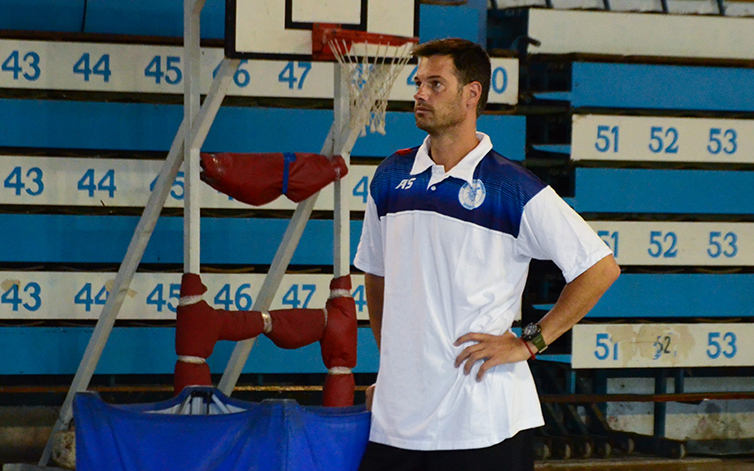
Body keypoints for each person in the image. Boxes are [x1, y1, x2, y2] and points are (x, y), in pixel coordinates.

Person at [353, 38, 621, 471]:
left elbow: (600, 268)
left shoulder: (512, 186)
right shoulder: (390, 175)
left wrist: (529, 342)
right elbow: (377, 274)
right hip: (397, 420)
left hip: (484, 420)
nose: (420, 94)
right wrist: (391, 370)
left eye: (435, 84)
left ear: (471, 93)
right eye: (418, 83)